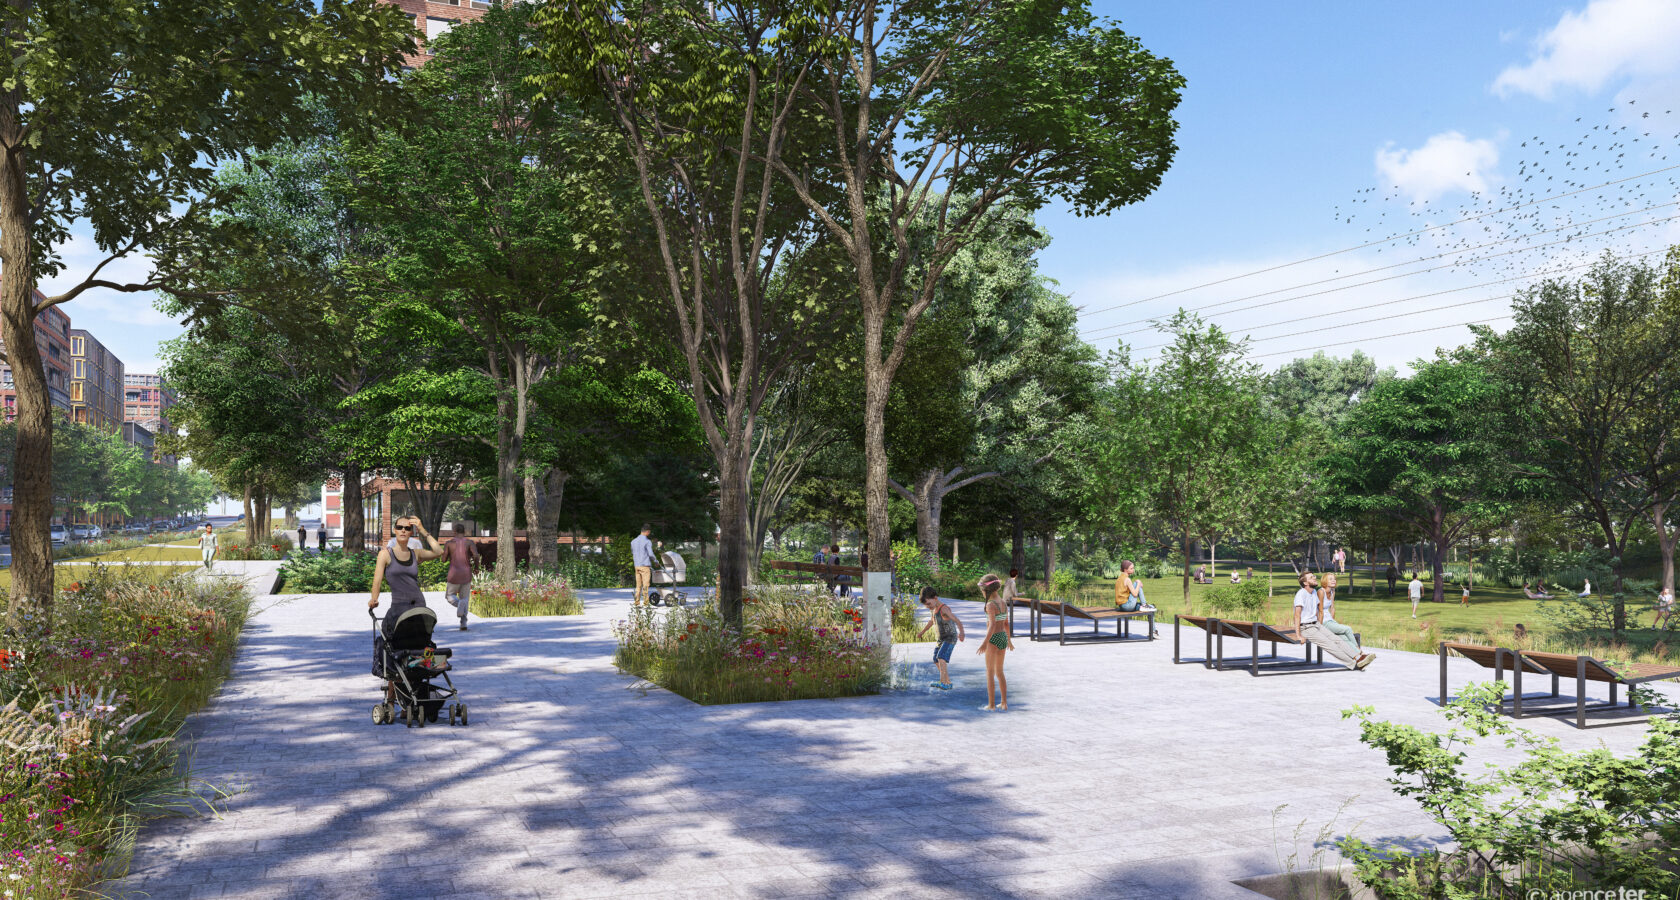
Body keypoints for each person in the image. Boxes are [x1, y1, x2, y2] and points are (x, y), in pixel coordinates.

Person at [367, 516, 446, 637]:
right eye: (400, 527)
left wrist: (422, 530)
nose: (403, 530)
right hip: (399, 606)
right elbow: (377, 581)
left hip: (418, 605)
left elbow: (439, 551)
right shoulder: (385, 554)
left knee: (419, 643)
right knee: (394, 642)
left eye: (407, 528)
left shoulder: (416, 553)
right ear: (395, 530)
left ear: (411, 532)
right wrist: (374, 599)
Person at [1294, 572, 1370, 670]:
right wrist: (1298, 635)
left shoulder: (1313, 592)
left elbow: (1317, 612)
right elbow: (1297, 615)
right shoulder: (1301, 594)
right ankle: (1353, 664)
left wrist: (1320, 626)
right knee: (1330, 645)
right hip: (1306, 627)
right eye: (1311, 577)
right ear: (1305, 583)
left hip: (1316, 624)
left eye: (1314, 576)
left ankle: (1359, 657)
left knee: (1337, 639)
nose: (1314, 578)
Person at [975, 574, 1014, 710]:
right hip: (1002, 637)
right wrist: (1009, 641)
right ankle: (1004, 703)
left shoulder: (990, 605)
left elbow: (991, 626)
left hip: (993, 639)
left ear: (987, 589)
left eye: (981, 588)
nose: (981, 591)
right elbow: (1006, 624)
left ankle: (991, 705)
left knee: (990, 673)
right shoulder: (1003, 603)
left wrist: (985, 642)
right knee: (1000, 672)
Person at [916, 587, 966, 690]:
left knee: (941, 657)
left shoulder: (944, 609)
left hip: (950, 637)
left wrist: (961, 632)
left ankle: (943, 682)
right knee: (936, 659)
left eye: (929, 604)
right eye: (926, 605)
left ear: (935, 598)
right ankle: (947, 681)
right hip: (941, 639)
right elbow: (931, 621)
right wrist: (922, 632)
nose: (928, 607)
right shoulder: (933, 609)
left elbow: (957, 620)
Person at [442, 528, 480, 630]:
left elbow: (443, 559)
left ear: (454, 532)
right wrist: (476, 567)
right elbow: (476, 555)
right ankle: (463, 623)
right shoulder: (469, 542)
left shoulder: (449, 543)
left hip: (453, 574)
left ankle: (459, 604)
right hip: (466, 573)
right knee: (465, 598)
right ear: (464, 532)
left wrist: (446, 555)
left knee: (449, 596)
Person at [1318, 573, 1361, 656]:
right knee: (1347, 629)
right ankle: (1359, 651)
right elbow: (1320, 611)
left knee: (1343, 637)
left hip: (1329, 621)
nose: (1333, 580)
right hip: (1322, 622)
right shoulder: (1321, 592)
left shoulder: (1332, 591)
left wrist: (1334, 622)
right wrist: (1319, 628)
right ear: (1325, 581)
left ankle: (1358, 656)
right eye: (1330, 579)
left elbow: (1332, 608)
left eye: (1334, 579)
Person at [632, 525, 655, 606]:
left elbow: (633, 553)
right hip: (645, 566)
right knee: (646, 585)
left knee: (638, 586)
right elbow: (651, 554)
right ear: (647, 531)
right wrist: (656, 561)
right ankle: (646, 603)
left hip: (637, 566)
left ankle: (636, 602)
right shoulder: (647, 541)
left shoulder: (633, 541)